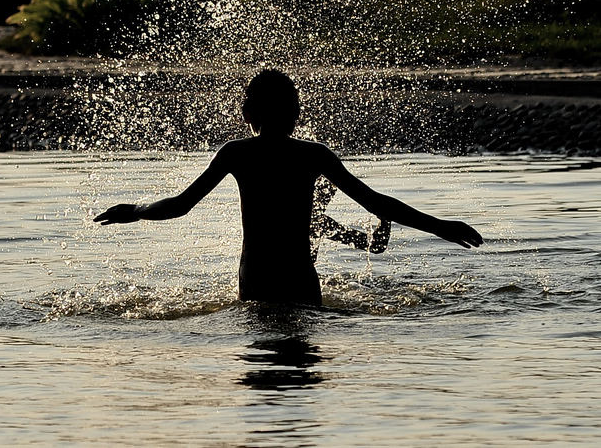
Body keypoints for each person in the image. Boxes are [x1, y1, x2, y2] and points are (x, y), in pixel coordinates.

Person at [95, 69, 483, 306]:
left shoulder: (237, 153)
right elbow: (376, 203)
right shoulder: (313, 155)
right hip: (300, 281)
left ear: (248, 113)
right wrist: (441, 227)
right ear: (296, 113)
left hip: (257, 280)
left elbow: (180, 205)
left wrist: (135, 210)